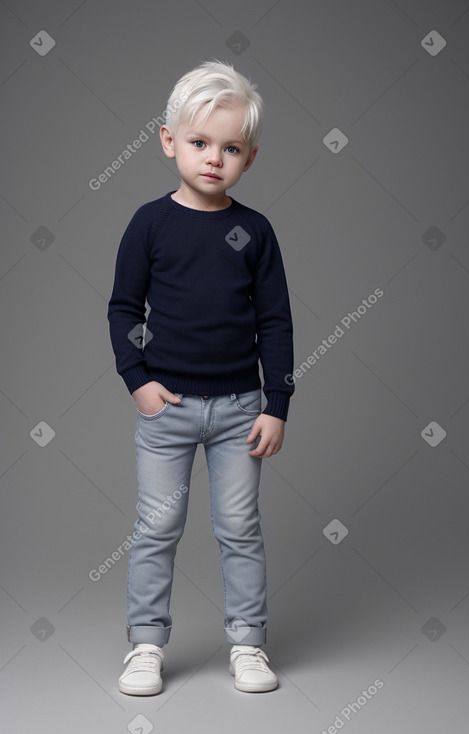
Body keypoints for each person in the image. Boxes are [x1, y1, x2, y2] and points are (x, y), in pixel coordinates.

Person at [107, 59, 294, 696]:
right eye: (199, 142)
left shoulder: (256, 232)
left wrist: (278, 403)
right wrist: (137, 379)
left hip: (242, 408)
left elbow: (276, 321)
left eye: (231, 147)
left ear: (250, 156)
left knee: (239, 527)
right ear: (168, 141)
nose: (214, 158)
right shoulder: (150, 224)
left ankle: (247, 642)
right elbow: (124, 309)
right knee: (157, 527)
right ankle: (145, 645)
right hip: (168, 407)